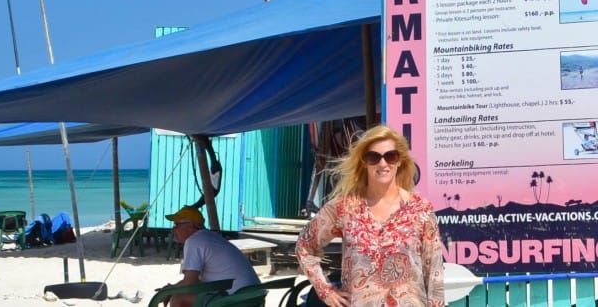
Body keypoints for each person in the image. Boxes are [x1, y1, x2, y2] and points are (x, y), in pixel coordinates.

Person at [296, 125, 445, 307]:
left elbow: (434, 274)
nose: (383, 164)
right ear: (364, 162)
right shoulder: (344, 207)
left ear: (399, 161)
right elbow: (304, 245)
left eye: (390, 156)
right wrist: (325, 290)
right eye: (373, 157)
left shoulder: (420, 210)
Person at [157, 206, 260, 307]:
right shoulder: (209, 237)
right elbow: (195, 281)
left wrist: (168, 291)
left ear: (190, 226)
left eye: (176, 224)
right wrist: (171, 288)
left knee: (179, 298)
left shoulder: (194, 241)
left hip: (238, 300)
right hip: (254, 297)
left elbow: (190, 282)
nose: (173, 229)